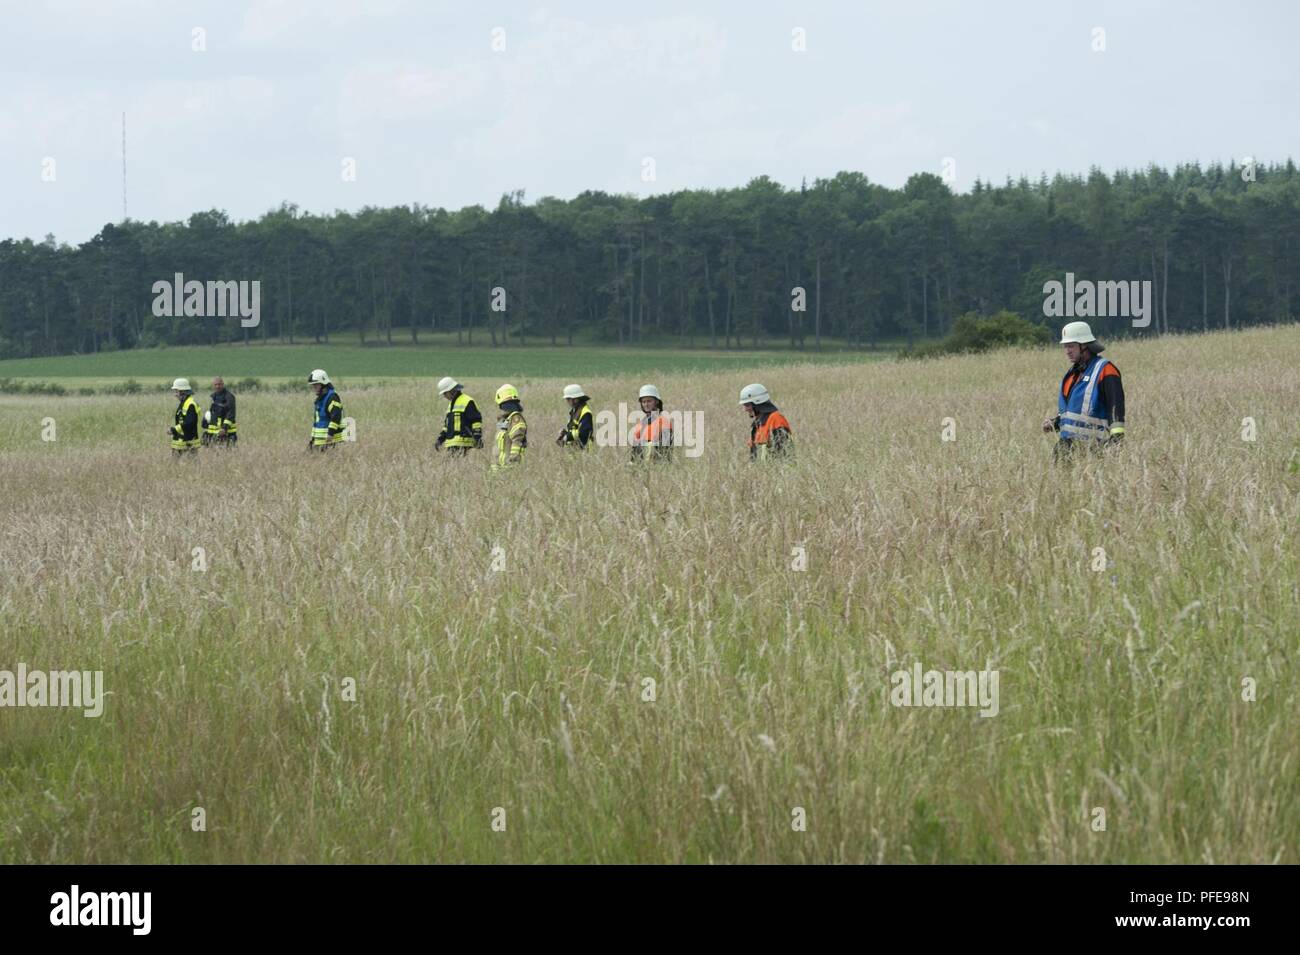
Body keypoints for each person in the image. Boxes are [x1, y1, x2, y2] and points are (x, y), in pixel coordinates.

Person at [1042, 322, 1125, 454]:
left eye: (1071, 346)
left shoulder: (1106, 370)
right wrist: (1056, 422)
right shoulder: (1072, 375)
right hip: (1065, 448)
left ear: (1085, 345)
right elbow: (1073, 412)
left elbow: (1116, 407)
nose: (1067, 351)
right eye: (1065, 346)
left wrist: (1116, 439)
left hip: (1095, 449)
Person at [739, 383, 792, 461]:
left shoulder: (776, 419)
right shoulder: (757, 424)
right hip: (763, 472)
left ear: (758, 402)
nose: (745, 409)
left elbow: (783, 451)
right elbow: (754, 455)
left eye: (747, 405)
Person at [435, 377, 483, 456]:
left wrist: (477, 437)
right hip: (451, 446)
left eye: (445, 393)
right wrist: (440, 439)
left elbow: (476, 421)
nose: (444, 396)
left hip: (465, 446)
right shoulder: (451, 405)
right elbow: (447, 426)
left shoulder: (467, 401)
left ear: (451, 390)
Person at [630, 384, 672, 462]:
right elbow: (634, 451)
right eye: (643, 402)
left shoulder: (664, 422)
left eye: (649, 401)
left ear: (656, 402)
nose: (646, 404)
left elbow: (666, 450)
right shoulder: (640, 424)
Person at [492, 384, 527, 470]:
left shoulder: (516, 419)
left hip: (509, 468)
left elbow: (517, 440)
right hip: (499, 468)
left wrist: (513, 461)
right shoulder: (504, 420)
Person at [308, 369, 346, 449]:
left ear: (323, 384)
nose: (314, 387)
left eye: (316, 385)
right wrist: (313, 440)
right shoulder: (321, 399)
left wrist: (330, 434)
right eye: (313, 385)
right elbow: (319, 422)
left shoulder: (332, 397)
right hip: (320, 442)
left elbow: (336, 416)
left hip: (331, 441)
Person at [168, 378, 201, 456]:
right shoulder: (184, 403)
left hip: (188, 443)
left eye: (176, 391)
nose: (175, 394)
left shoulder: (190, 404)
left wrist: (174, 429)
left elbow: (190, 423)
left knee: (191, 466)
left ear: (182, 392)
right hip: (180, 442)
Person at [556, 383, 594, 450]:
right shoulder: (575, 411)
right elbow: (575, 429)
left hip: (585, 451)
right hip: (576, 450)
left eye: (568, 399)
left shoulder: (586, 413)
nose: (567, 401)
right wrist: (565, 433)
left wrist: (567, 437)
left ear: (576, 399)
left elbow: (584, 433)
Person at [204, 376, 237, 447]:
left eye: (219, 384)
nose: (217, 386)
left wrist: (224, 428)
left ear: (223, 384)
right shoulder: (213, 397)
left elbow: (231, 414)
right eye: (215, 384)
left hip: (226, 432)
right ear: (213, 385)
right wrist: (206, 423)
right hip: (214, 432)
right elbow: (212, 413)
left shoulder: (229, 397)